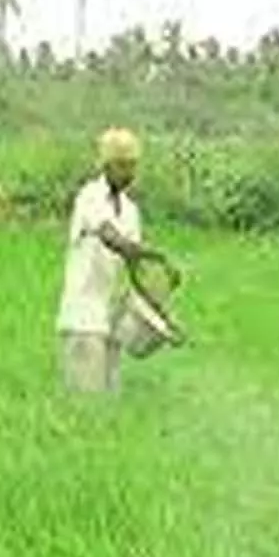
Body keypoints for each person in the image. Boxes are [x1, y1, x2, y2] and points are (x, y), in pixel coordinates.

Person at [55, 126, 177, 393]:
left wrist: (163, 315)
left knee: (107, 407)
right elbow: (111, 238)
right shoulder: (89, 197)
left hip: (111, 320)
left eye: (133, 166)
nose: (129, 174)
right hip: (82, 319)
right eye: (122, 166)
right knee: (85, 404)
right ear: (106, 165)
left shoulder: (131, 211)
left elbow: (134, 270)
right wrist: (155, 256)